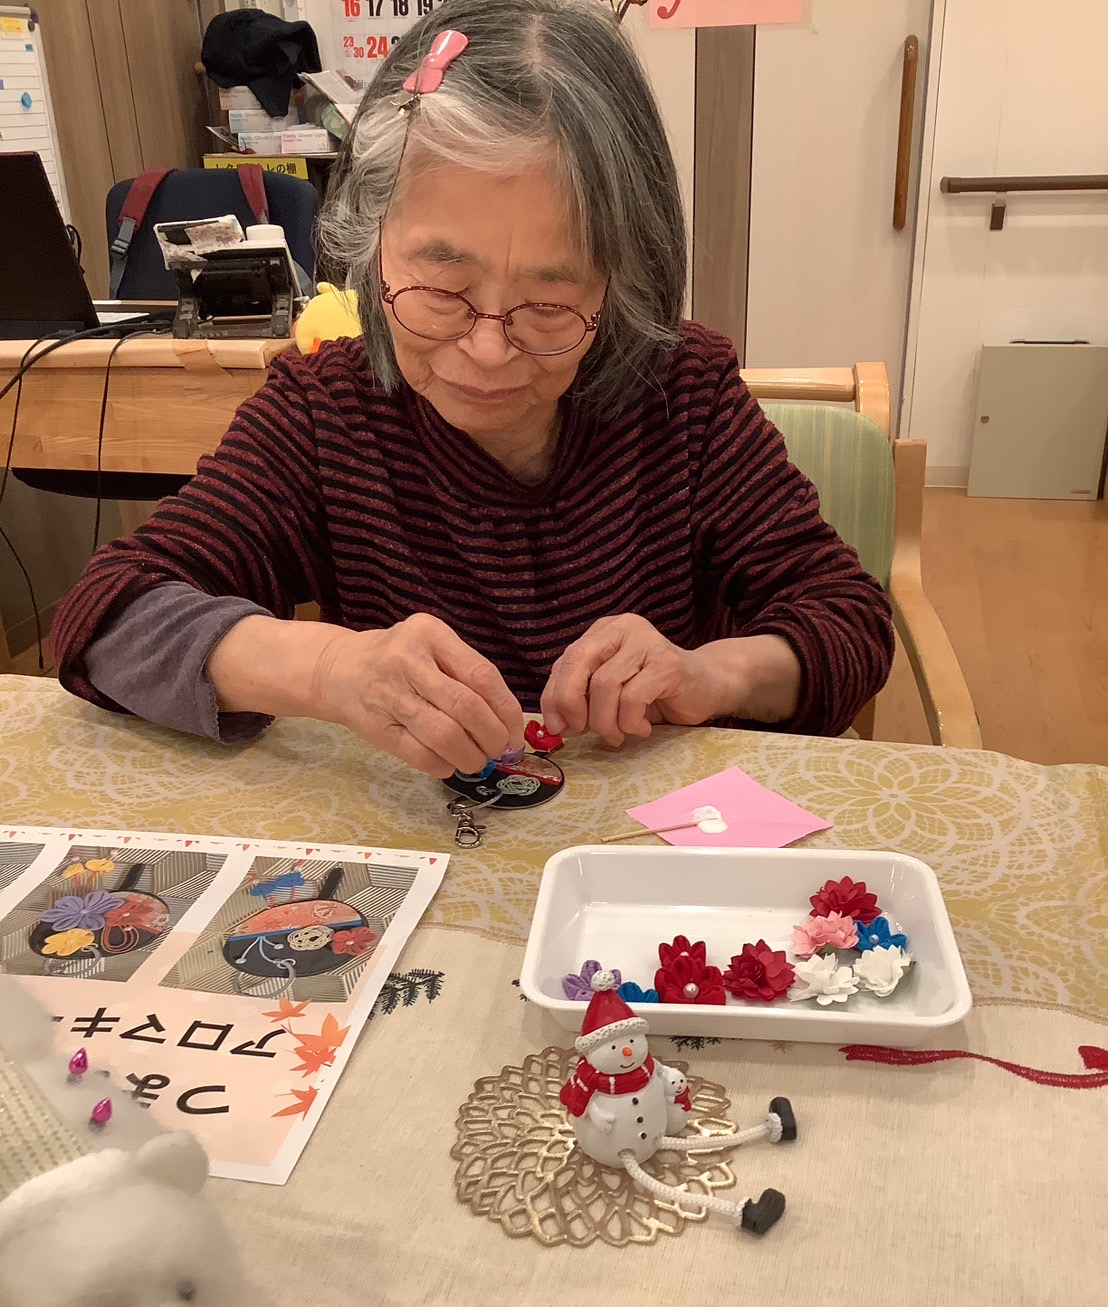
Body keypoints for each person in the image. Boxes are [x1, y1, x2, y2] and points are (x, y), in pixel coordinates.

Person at [53, 0, 893, 780]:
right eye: (441, 287)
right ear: (371, 241)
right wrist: (332, 667)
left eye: (550, 303)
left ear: (620, 280)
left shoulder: (686, 398)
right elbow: (104, 617)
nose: (488, 351)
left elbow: (847, 618)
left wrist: (707, 674)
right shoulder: (326, 414)